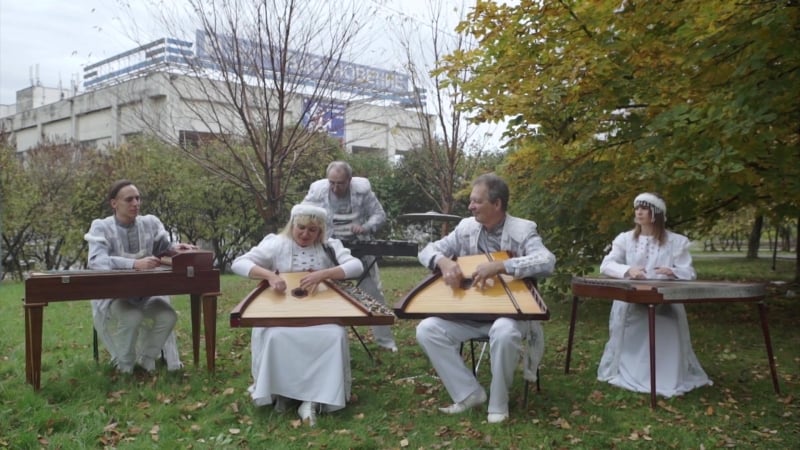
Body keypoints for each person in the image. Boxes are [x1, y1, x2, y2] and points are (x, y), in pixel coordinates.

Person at [414, 174, 556, 424]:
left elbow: (547, 260)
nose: (470, 207)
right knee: (427, 329)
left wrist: (502, 266)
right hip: (470, 313)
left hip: (510, 315)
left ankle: (498, 404)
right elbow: (427, 249)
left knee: (503, 332)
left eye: (476, 201)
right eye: (471, 201)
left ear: (497, 204)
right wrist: (444, 261)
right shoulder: (466, 228)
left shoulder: (523, 230)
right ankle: (469, 394)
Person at [231, 203, 364, 427]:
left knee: (333, 335)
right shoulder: (276, 243)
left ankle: (313, 399)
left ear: (320, 231)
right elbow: (239, 263)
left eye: (312, 230)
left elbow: (357, 266)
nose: (305, 234)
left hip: (319, 311)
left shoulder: (329, 246)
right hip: (280, 311)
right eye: (301, 228)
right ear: (292, 225)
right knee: (276, 336)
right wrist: (270, 276)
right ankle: (281, 392)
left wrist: (324, 274)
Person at [597, 192, 712, 397]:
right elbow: (606, 264)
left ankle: (666, 374)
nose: (638, 212)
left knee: (667, 325)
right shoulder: (625, 239)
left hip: (664, 301)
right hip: (632, 300)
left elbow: (689, 272)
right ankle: (633, 372)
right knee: (636, 325)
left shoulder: (676, 242)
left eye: (644, 208)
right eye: (636, 208)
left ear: (656, 214)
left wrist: (673, 271)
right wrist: (628, 270)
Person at [85, 180, 195, 374]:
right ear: (114, 203)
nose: (135, 203)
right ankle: (125, 367)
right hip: (114, 296)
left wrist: (177, 249)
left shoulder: (150, 223)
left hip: (147, 293)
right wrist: (134, 264)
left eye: (137, 198)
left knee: (168, 316)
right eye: (129, 199)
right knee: (132, 317)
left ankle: (146, 360)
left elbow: (164, 250)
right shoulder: (101, 227)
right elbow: (97, 261)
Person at [303, 161, 398, 352]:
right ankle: (324, 340)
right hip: (328, 250)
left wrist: (365, 227)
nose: (335, 187)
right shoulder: (317, 192)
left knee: (373, 295)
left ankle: (386, 343)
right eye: (332, 183)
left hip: (360, 249)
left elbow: (379, 215)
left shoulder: (363, 192)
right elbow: (301, 215)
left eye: (340, 183)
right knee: (323, 293)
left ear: (350, 181)